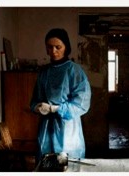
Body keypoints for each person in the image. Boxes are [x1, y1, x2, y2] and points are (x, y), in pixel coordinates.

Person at [30, 28, 91, 161]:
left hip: (68, 128)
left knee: (67, 164)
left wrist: (54, 108)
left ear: (66, 47)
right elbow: (34, 101)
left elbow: (82, 104)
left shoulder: (74, 70)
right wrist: (37, 107)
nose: (54, 51)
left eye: (58, 47)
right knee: (46, 164)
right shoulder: (44, 72)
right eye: (50, 47)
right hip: (46, 128)